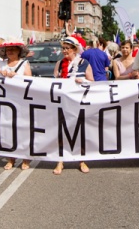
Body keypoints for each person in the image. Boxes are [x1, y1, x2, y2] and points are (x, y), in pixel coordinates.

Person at [53, 36, 92, 175]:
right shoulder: (59, 63)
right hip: (63, 102)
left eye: (67, 48)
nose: (64, 51)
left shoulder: (84, 63)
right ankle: (60, 160)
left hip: (78, 102)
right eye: (63, 48)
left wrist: (82, 81)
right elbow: (55, 81)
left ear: (75, 49)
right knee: (62, 131)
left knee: (79, 130)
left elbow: (92, 82)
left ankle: (81, 160)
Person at [0, 39, 32, 170]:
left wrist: (17, 76)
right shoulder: (1, 64)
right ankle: (11, 158)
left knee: (23, 130)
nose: (10, 51)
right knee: (7, 130)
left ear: (19, 51)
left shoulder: (24, 64)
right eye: (8, 49)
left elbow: (30, 81)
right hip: (5, 101)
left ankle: (26, 158)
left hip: (21, 101)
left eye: (13, 49)